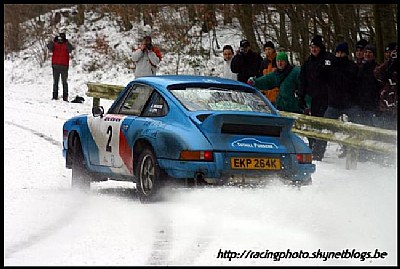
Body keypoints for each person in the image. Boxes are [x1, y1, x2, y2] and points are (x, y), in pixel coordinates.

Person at [297, 35, 336, 161]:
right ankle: (313, 146)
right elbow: (303, 80)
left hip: (328, 98)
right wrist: (301, 96)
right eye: (312, 47)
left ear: (320, 48)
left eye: (316, 47)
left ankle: (319, 151)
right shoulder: (308, 63)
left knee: (324, 125)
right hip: (314, 98)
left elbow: (333, 77)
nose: (314, 49)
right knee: (314, 124)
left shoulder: (328, 59)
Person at [323, 42, 359, 158]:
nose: (339, 55)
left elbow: (351, 82)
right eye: (337, 52)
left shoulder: (351, 66)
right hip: (334, 102)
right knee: (324, 128)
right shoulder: (331, 65)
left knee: (355, 128)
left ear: (346, 54)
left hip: (349, 103)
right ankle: (318, 153)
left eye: (342, 53)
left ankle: (353, 152)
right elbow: (323, 78)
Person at [374, 44, 397, 130]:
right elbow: (377, 74)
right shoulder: (386, 65)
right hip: (386, 106)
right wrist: (391, 62)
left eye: (391, 52)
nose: (389, 54)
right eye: (387, 52)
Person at [47, 32, 74, 101]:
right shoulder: (55, 44)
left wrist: (66, 42)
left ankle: (63, 97)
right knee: (57, 82)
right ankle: (56, 96)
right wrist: (53, 41)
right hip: (59, 65)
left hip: (61, 65)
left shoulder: (66, 44)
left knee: (63, 82)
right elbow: (49, 47)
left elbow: (71, 49)